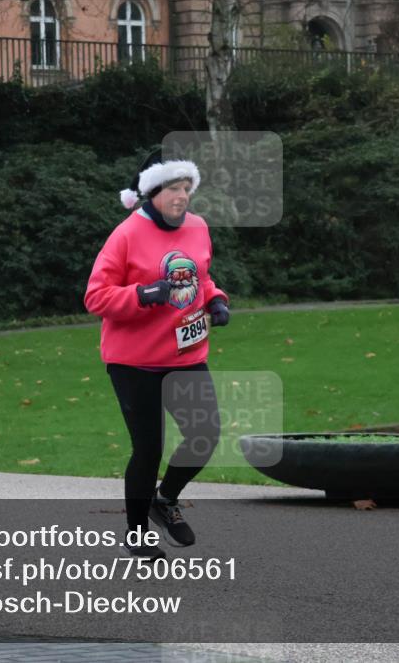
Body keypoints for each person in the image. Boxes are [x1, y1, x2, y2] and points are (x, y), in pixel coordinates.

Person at [84, 150, 231, 562]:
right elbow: (95, 296)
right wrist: (143, 295)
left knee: (205, 436)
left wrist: (215, 299)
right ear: (151, 192)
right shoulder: (127, 234)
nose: (182, 196)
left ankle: (164, 500)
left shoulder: (198, 228)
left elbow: (200, 275)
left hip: (185, 354)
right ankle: (137, 535)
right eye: (173, 188)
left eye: (188, 188)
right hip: (134, 361)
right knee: (148, 450)